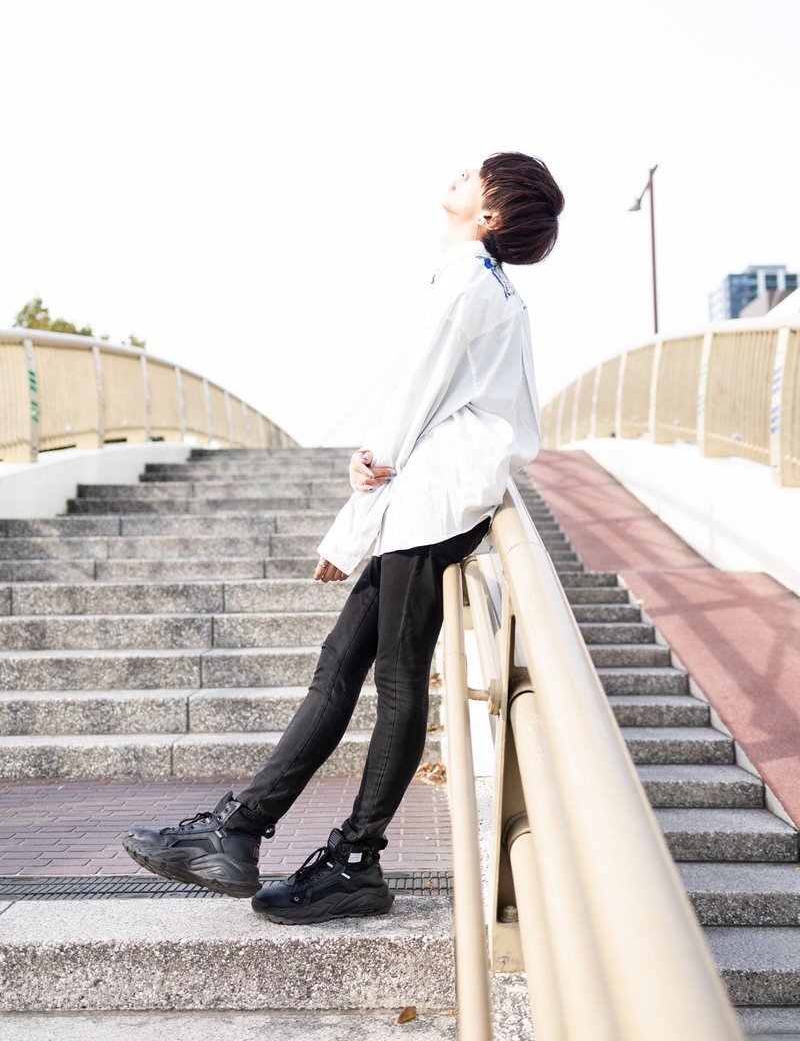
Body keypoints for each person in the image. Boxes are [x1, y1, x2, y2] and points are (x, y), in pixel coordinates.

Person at [123, 151, 565, 925]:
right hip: (430, 500)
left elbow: (411, 407)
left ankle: (356, 861)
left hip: (434, 504)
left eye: (478, 174)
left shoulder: (469, 284)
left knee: (397, 679)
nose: (461, 173)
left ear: (491, 215)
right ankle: (238, 833)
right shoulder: (485, 287)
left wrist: (350, 527)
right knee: (340, 667)